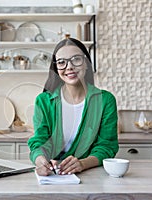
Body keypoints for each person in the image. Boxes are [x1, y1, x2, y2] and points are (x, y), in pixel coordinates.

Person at [27, 38, 119, 176]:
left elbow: (106, 146)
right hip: (54, 175)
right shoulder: (44, 101)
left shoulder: (105, 100)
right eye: (61, 62)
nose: (69, 67)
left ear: (86, 63)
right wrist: (41, 161)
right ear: (56, 68)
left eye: (76, 59)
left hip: (90, 174)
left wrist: (82, 164)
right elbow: (39, 141)